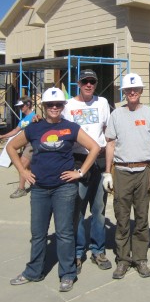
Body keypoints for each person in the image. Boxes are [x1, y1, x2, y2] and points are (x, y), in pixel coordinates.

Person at [7, 87, 100, 292]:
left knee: (65, 233)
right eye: (50, 104)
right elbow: (11, 147)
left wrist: (81, 172)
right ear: (44, 106)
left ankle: (67, 274)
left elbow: (95, 147)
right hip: (39, 189)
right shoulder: (34, 128)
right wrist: (23, 172)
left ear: (63, 106)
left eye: (58, 104)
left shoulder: (71, 127)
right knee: (38, 233)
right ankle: (34, 272)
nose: (55, 108)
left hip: (64, 189)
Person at [103, 73, 150, 280]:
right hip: (121, 171)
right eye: (128, 90)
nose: (132, 92)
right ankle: (122, 259)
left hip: (143, 171)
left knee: (142, 217)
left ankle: (140, 258)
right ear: (124, 93)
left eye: (135, 89)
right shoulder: (116, 115)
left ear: (141, 91)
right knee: (121, 217)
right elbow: (110, 144)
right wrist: (107, 172)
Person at [62, 69, 111, 274]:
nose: (89, 85)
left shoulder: (103, 103)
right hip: (78, 161)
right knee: (78, 211)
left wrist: (110, 169)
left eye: (92, 81)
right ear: (78, 84)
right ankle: (78, 252)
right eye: (85, 81)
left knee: (98, 211)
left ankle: (98, 250)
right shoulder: (68, 105)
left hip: (98, 162)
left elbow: (109, 136)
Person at [0, 96, 35, 198]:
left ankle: (21, 189)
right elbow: (16, 131)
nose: (20, 108)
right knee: (28, 167)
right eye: (19, 107)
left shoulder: (35, 116)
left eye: (21, 106)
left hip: (32, 144)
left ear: (28, 105)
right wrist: (3, 136)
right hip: (26, 144)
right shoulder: (24, 119)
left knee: (22, 166)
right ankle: (35, 184)